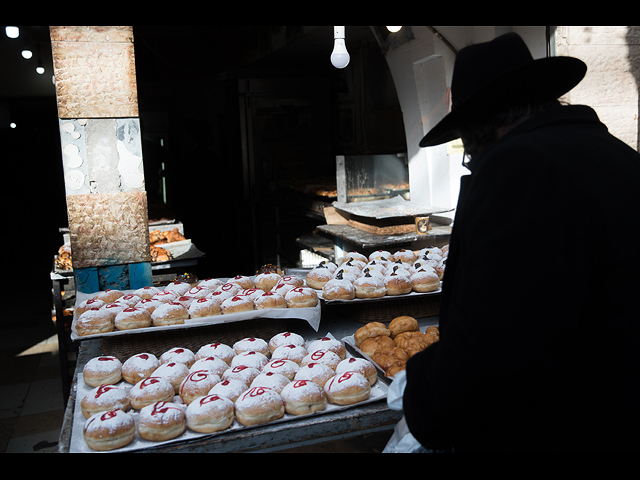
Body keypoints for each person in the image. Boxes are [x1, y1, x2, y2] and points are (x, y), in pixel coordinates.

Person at [403, 32, 640, 452]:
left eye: (468, 151)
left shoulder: (521, 168)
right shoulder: (616, 155)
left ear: (481, 131)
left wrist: (423, 390)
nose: (472, 160)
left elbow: (498, 348)